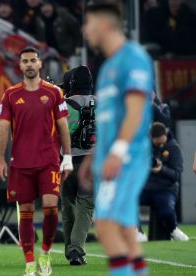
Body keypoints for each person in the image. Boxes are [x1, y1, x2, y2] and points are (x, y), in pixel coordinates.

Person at [79, 2, 154, 275]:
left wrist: (119, 151)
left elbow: (136, 109)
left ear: (105, 25)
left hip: (127, 157)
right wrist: (92, 155)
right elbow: (110, 119)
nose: (85, 30)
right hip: (108, 158)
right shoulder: (108, 67)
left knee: (106, 224)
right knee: (124, 230)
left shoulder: (133, 58)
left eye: (88, 23)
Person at [0, 47, 73, 276]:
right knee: (27, 211)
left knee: (51, 209)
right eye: (25, 61)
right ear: (20, 66)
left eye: (33, 60)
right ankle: (30, 262)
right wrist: (0, 159)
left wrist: (67, 157)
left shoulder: (54, 93)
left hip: (48, 160)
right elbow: (3, 128)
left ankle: (46, 252)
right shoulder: (10, 94)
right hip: (20, 163)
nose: (29, 64)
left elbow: (63, 127)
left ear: (40, 64)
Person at [61, 66, 95, 265]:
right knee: (86, 205)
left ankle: (70, 249)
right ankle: (76, 249)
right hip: (90, 162)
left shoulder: (64, 105)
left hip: (66, 162)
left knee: (67, 206)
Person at [140, 122, 188, 241]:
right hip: (146, 188)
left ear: (165, 135)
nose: (159, 143)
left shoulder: (174, 149)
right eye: (156, 140)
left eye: (161, 140)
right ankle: (137, 231)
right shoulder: (145, 147)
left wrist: (162, 169)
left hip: (165, 189)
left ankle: (173, 229)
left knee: (166, 210)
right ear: (151, 137)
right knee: (127, 202)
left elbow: (176, 175)